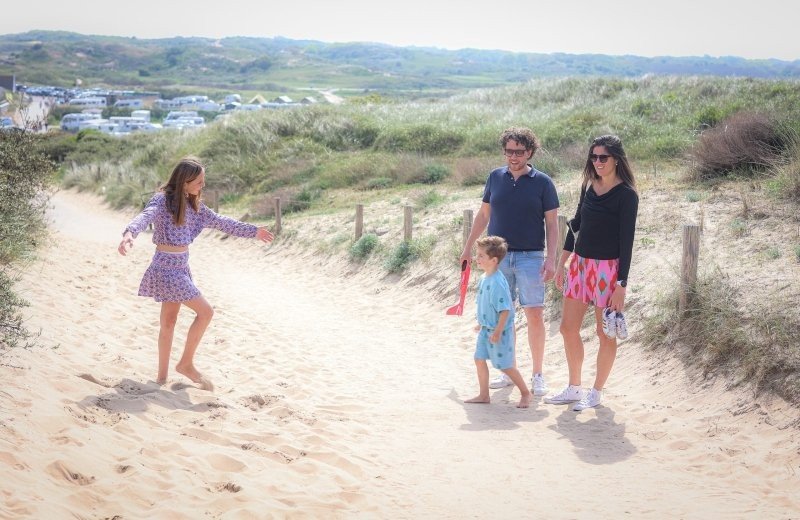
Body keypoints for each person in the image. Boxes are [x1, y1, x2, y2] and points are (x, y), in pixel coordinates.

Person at [118, 156, 274, 390]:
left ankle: (161, 378)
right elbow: (145, 216)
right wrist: (130, 233)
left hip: (181, 267)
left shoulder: (195, 206)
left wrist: (253, 232)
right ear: (185, 182)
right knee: (206, 312)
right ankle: (186, 364)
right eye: (199, 181)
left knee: (169, 322)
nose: (203, 186)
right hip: (165, 268)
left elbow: (223, 222)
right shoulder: (162, 201)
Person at [460, 127, 559, 396]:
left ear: (530, 152)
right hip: (497, 259)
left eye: (519, 151)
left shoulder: (543, 182)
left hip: (531, 257)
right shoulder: (495, 177)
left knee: (534, 313)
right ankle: (508, 369)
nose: (513, 156)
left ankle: (538, 374)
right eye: (509, 151)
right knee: (504, 314)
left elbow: (552, 223)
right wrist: (468, 248)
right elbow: (483, 216)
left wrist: (552, 259)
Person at [545, 135, 639, 411]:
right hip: (580, 265)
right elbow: (576, 225)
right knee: (567, 328)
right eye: (594, 157)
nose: (597, 162)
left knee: (604, 333)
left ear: (617, 159)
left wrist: (621, 284)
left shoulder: (627, 196)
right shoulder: (588, 186)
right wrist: (563, 261)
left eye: (603, 157)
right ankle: (575, 388)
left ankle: (596, 392)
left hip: (607, 271)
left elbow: (627, 242)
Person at [465, 236, 532, 408]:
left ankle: (525, 393)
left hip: (499, 332)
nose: (477, 258)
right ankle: (484, 395)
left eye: (481, 256)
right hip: (486, 329)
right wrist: (482, 323)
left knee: (505, 366)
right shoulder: (484, 278)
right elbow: (486, 304)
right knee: (479, 359)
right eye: (477, 255)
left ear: (494, 260)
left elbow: (505, 309)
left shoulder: (498, 282)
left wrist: (497, 331)